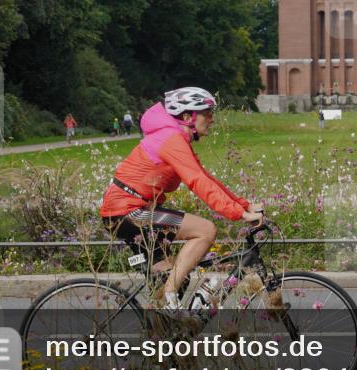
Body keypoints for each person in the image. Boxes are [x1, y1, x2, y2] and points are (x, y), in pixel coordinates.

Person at [100, 87, 264, 315]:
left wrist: (243, 205)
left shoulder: (175, 138)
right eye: (206, 113)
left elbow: (205, 177)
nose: (212, 118)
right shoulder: (171, 139)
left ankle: (163, 337)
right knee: (205, 231)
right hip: (127, 211)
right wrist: (238, 214)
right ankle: (169, 294)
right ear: (187, 117)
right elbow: (196, 181)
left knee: (178, 277)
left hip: (129, 211)